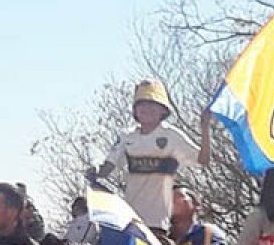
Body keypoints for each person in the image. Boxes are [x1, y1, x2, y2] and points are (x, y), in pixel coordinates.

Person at [87, 79, 211, 234]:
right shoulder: (127, 136)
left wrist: (205, 128)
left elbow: (203, 160)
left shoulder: (171, 135)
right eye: (141, 104)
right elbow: (107, 167)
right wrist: (96, 169)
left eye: (152, 104)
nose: (146, 109)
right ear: (135, 110)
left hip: (157, 221)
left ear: (163, 110)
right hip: (129, 218)